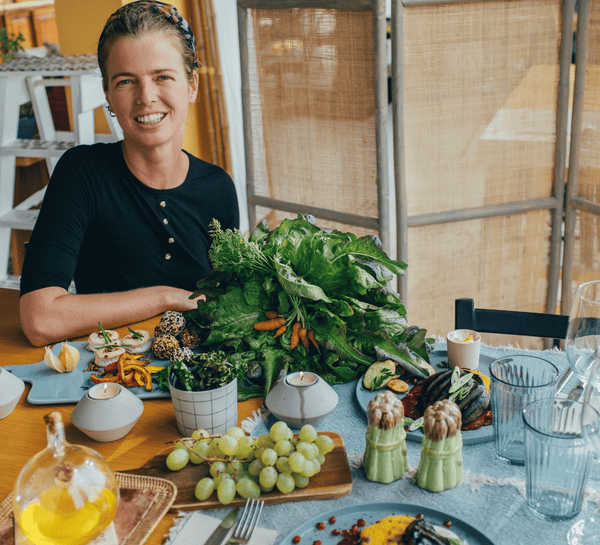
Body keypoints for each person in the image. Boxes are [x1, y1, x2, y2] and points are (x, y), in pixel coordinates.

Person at [19, 1, 239, 347]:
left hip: (195, 381)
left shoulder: (219, 188)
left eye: (163, 77)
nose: (146, 98)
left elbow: (228, 310)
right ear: (108, 95)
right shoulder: (82, 174)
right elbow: (39, 319)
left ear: (191, 85)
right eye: (125, 82)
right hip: (108, 378)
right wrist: (162, 297)